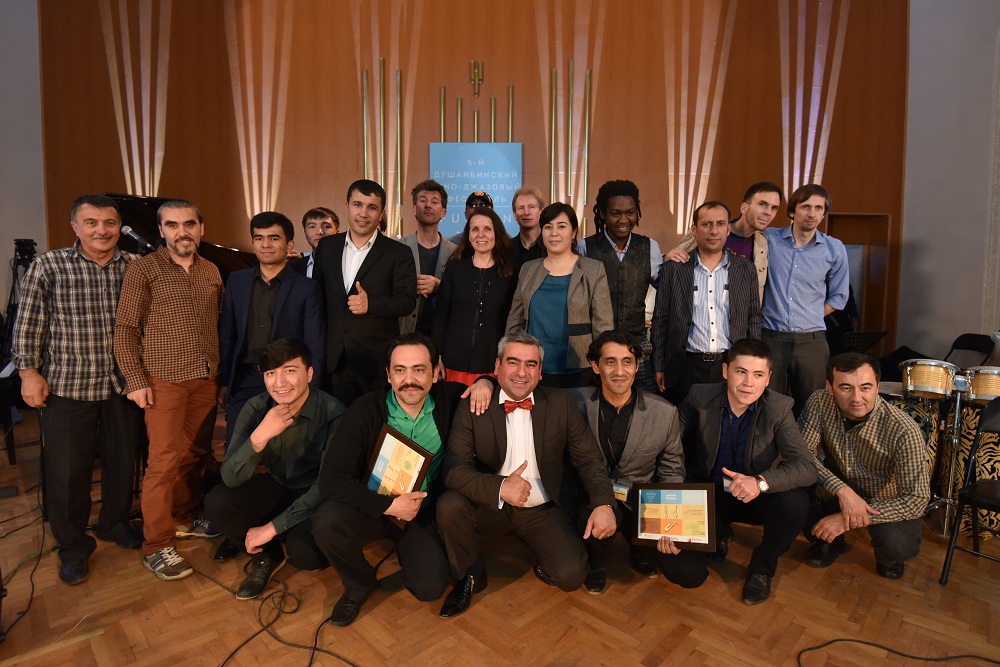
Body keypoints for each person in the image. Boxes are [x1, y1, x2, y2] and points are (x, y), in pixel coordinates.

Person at [312, 333, 494, 627]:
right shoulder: (365, 410)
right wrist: (387, 506)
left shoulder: (450, 400)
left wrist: (487, 382)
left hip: (421, 515)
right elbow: (331, 480)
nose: (409, 380)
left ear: (436, 373)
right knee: (326, 520)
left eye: (419, 369)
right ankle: (358, 584)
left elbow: (494, 386)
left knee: (429, 588)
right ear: (388, 374)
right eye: (400, 370)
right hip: (373, 506)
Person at [435, 331, 616, 618]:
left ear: (540, 372)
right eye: (513, 362)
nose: (521, 372)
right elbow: (453, 469)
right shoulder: (473, 404)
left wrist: (604, 503)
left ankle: (542, 558)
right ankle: (469, 575)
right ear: (496, 368)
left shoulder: (560, 404)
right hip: (491, 505)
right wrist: (500, 487)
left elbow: (589, 460)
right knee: (449, 506)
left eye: (531, 364)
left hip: (543, 509)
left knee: (570, 577)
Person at [12, 194, 144, 585]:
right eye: (91, 223)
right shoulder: (49, 266)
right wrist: (27, 373)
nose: (101, 230)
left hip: (122, 385)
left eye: (108, 222)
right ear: (76, 227)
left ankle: (115, 523)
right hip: (68, 385)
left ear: (119, 225)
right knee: (68, 472)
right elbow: (29, 323)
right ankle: (72, 545)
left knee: (123, 462)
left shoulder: (136, 267)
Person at [115, 199, 224, 581]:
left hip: (204, 377)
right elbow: (126, 329)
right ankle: (157, 545)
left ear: (200, 228)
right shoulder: (144, 269)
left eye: (189, 224)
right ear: (161, 230)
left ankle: (183, 516)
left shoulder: (211, 270)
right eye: (173, 225)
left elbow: (219, 325)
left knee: (195, 454)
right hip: (163, 379)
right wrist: (135, 379)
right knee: (162, 461)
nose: (183, 231)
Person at [678, 338, 817, 604]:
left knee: (795, 502)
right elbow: (669, 439)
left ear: (768, 378)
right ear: (725, 371)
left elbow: (806, 467)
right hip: (710, 495)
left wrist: (760, 482)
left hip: (755, 497)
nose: (748, 383)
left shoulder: (779, 407)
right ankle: (717, 535)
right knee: (685, 559)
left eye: (758, 374)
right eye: (740, 372)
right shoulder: (700, 396)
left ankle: (762, 567)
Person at [205, 339, 344, 599]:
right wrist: (259, 438)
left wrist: (272, 528)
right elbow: (229, 478)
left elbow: (327, 485)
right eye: (271, 373)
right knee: (217, 502)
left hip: (316, 496)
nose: (279, 384)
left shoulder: (334, 414)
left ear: (309, 373)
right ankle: (267, 556)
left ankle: (280, 533)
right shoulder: (257, 407)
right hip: (278, 485)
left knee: (307, 556)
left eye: (290, 371)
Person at [572, 331, 708, 594]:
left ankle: (639, 547)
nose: (619, 370)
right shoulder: (574, 402)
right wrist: (486, 383)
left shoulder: (664, 412)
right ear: (595, 366)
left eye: (627, 361)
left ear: (636, 366)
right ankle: (596, 563)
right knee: (587, 513)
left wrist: (672, 523)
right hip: (592, 497)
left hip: (641, 502)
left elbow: (672, 469)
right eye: (610, 362)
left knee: (691, 573)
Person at [799, 353, 930, 579]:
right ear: (830, 387)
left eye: (866, 387)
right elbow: (802, 455)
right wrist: (843, 491)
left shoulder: (904, 430)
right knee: (793, 491)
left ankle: (887, 557)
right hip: (836, 486)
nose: (857, 398)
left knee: (900, 545)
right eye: (846, 388)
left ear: (878, 386)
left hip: (882, 498)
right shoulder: (819, 401)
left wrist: (846, 519)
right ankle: (829, 541)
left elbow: (916, 499)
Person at [218, 211, 324, 445]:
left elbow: (314, 343)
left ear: (289, 245)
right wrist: (225, 381)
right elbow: (228, 335)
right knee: (236, 449)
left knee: (287, 453)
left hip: (288, 383)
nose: (265, 244)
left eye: (274, 238)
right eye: (259, 238)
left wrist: (311, 390)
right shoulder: (237, 281)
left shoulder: (307, 288)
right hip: (245, 379)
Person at [312, 179, 416, 405]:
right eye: (358, 205)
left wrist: (372, 305)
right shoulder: (327, 247)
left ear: (381, 213)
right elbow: (316, 298)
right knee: (335, 429)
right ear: (347, 206)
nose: (363, 213)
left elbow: (406, 302)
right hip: (333, 360)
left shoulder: (399, 253)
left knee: (373, 428)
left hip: (375, 361)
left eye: (372, 207)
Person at [652, 201, 761, 406]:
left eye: (720, 224)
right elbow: (660, 321)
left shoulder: (745, 269)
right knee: (686, 428)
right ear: (694, 229)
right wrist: (659, 366)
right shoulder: (675, 269)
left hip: (730, 363)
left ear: (728, 229)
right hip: (686, 364)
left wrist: (753, 362)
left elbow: (754, 317)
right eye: (706, 224)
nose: (714, 230)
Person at [760, 184, 849, 416]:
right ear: (792, 211)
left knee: (811, 407)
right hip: (771, 336)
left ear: (823, 213)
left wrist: (812, 314)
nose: (812, 213)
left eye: (818, 208)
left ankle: (805, 452)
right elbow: (733, 231)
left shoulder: (834, 248)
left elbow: (840, 296)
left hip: (812, 341)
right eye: (806, 206)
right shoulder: (768, 238)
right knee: (767, 404)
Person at [507, 203, 613, 388]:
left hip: (580, 371)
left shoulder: (593, 270)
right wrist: (510, 359)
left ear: (573, 232)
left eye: (561, 226)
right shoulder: (528, 269)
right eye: (548, 227)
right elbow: (514, 321)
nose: (554, 233)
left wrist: (604, 365)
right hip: (532, 369)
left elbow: (603, 326)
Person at [580, 180, 663, 393]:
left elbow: (665, 290)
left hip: (637, 345)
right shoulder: (585, 247)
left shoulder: (650, 247)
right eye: (616, 213)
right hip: (596, 347)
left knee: (645, 402)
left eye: (630, 212)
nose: (624, 220)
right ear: (602, 214)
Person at [432, 207, 516, 385]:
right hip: (453, 362)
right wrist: (435, 354)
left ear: (496, 233)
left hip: (492, 363)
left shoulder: (510, 271)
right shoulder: (455, 267)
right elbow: (440, 314)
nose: (481, 235)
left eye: (487, 229)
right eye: (475, 229)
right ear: (468, 235)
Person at [664, 182, 783, 306]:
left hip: (738, 322)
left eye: (774, 208)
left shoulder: (763, 244)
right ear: (744, 208)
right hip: (697, 317)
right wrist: (666, 259)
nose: (768, 212)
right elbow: (671, 271)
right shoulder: (706, 232)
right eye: (762, 204)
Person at [400, 179, 456, 335]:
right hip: (405, 333)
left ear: (443, 212)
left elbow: (463, 295)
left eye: (434, 202)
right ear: (413, 209)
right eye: (423, 200)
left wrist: (440, 286)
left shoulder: (455, 253)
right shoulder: (398, 248)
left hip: (443, 334)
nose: (428, 206)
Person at [290, 207, 339, 278]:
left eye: (326, 226)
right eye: (312, 226)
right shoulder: (294, 267)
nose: (319, 232)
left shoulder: (347, 263)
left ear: (337, 233)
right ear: (305, 232)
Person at [510, 185, 546, 271]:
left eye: (531, 207)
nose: (526, 212)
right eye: (521, 208)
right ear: (514, 214)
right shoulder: (506, 249)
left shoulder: (552, 247)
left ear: (541, 212)